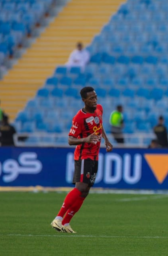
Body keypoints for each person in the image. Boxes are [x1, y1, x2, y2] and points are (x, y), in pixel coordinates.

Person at [51, 86, 113, 234]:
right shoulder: (79, 118)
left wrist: (107, 140)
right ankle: (58, 218)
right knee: (80, 187)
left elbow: (99, 125)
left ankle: (66, 223)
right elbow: (70, 140)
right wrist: (86, 139)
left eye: (95, 97)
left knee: (85, 191)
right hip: (83, 155)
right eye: (91, 98)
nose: (94, 100)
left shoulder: (99, 109)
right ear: (84, 100)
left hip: (95, 156)